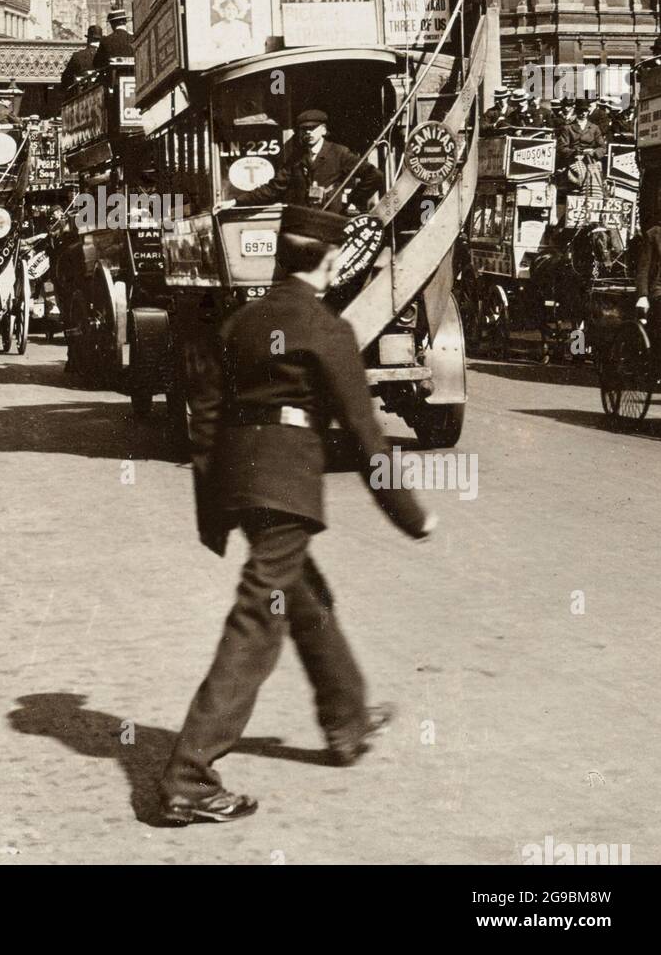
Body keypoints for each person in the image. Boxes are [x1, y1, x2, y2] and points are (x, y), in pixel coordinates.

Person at [158, 206, 434, 825]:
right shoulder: (324, 327)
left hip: (243, 480)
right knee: (259, 619)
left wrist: (214, 500)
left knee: (304, 598)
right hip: (288, 483)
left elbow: (206, 412)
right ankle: (188, 776)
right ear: (332, 262)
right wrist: (412, 515)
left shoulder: (241, 322)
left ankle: (347, 721)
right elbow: (367, 439)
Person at [242, 108, 383, 215]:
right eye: (304, 129)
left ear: (323, 130)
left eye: (312, 128)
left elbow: (375, 175)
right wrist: (237, 201)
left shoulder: (339, 153)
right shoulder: (296, 158)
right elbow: (273, 188)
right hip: (305, 221)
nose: (308, 133)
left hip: (332, 218)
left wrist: (353, 200)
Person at [557, 99, 606, 168]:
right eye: (580, 111)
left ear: (588, 112)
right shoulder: (568, 128)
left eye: (585, 111)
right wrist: (575, 152)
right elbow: (562, 148)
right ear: (576, 111)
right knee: (577, 175)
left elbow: (602, 147)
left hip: (591, 159)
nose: (583, 113)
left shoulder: (594, 128)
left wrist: (594, 152)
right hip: (573, 159)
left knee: (595, 174)